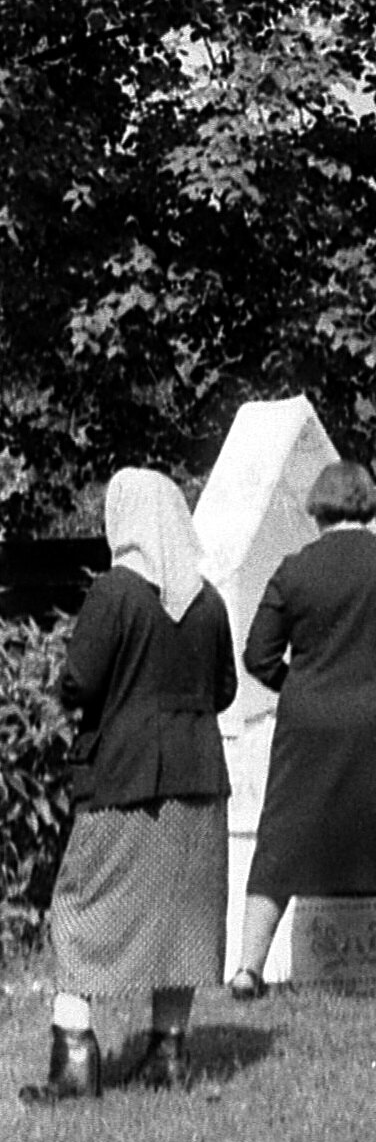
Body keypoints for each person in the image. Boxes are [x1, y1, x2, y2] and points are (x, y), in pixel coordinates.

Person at [22, 470, 237, 1106]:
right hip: (200, 774)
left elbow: (81, 681)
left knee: (81, 904)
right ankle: (169, 1054)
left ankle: (75, 1060)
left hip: (126, 774)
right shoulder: (209, 601)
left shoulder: (115, 591)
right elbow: (225, 690)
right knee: (183, 917)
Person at [230, 458, 376, 1008]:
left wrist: (298, 687)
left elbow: (257, 655)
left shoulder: (292, 571)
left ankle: (247, 969)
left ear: (318, 512)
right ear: (370, 507)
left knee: (282, 838)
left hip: (308, 726)